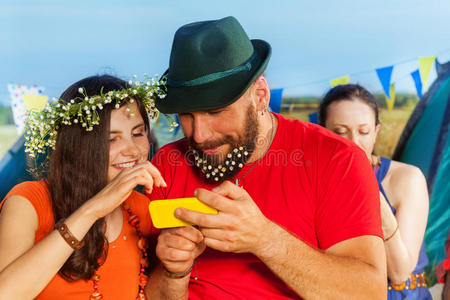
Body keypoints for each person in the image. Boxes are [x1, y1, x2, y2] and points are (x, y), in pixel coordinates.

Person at [144, 16, 387, 299]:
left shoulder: (338, 160)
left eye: (215, 111)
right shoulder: (166, 165)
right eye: (186, 115)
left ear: (260, 95)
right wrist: (174, 270)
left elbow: (369, 293)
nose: (199, 135)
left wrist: (265, 239)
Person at [0, 75, 166, 299]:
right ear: (79, 146)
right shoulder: (28, 201)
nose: (133, 150)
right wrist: (93, 209)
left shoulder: (141, 208)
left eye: (138, 133)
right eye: (111, 139)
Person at [319, 84, 431, 299]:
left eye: (363, 132)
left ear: (376, 132)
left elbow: (399, 273)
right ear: (322, 132)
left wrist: (367, 188)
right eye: (340, 132)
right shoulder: (316, 183)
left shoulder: (406, 179)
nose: (353, 143)